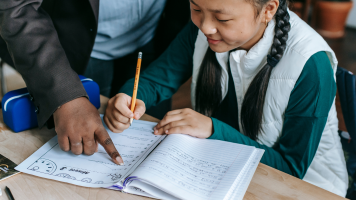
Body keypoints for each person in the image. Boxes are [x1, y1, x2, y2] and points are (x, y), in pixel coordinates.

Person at [104, 0, 348, 196]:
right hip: (219, 166)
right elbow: (157, 79)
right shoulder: (205, 28)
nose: (206, 26)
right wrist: (129, 96)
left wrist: (212, 129)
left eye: (222, 19)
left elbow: (291, 170)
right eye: (195, 8)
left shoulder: (311, 65)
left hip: (300, 188)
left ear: (268, 9)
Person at [0, 0, 189, 164]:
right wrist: (65, 95)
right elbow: (16, 8)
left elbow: (160, 80)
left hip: (155, 36)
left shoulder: (188, 39)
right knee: (86, 132)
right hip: (82, 44)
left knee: (150, 137)